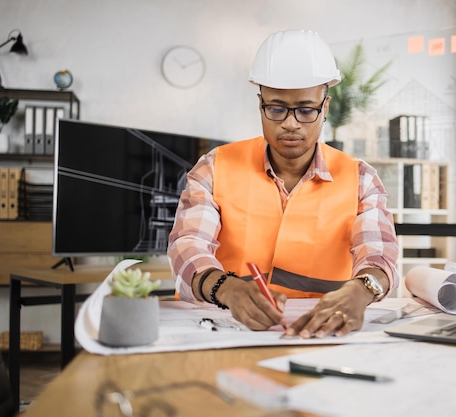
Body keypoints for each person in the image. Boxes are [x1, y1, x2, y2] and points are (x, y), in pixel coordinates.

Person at [167, 29, 398, 339]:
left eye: (305, 110)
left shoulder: (360, 179)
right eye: (276, 109)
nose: (290, 123)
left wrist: (360, 291)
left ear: (325, 108)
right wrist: (226, 288)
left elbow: (379, 255)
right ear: (260, 104)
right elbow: (187, 245)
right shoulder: (214, 168)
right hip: (222, 327)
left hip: (323, 332)